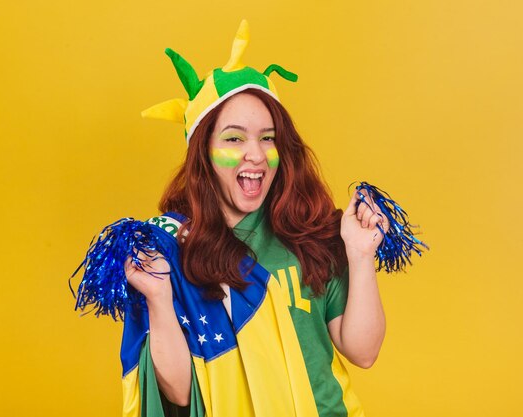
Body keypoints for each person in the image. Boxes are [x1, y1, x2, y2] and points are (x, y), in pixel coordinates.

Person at [119, 20, 387, 417]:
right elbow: (177, 393)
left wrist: (361, 256)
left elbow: (363, 352)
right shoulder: (174, 249)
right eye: (234, 138)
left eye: (267, 137)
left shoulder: (308, 232)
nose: (256, 155)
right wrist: (158, 298)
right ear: (202, 154)